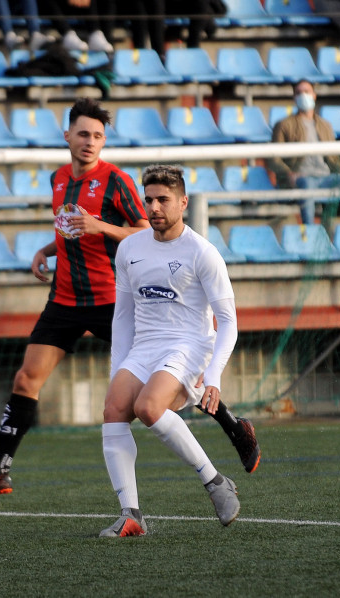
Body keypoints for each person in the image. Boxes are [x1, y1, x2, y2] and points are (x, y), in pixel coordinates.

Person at [0, 98, 261, 499]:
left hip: (111, 299)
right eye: (83, 133)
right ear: (67, 136)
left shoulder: (116, 180)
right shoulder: (59, 178)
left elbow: (144, 231)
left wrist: (100, 226)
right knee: (26, 377)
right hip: (64, 297)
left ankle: (233, 426)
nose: (90, 142)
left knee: (164, 380)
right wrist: (47, 250)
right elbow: (70, 226)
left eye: (98, 136)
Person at [98, 164, 241, 537]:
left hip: (189, 344)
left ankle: (215, 482)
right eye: (149, 200)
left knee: (147, 407)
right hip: (146, 345)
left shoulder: (202, 252)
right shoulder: (129, 248)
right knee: (114, 409)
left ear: (183, 202)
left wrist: (214, 377)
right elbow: (123, 316)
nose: (155, 207)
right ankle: (132, 515)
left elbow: (228, 321)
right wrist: (119, 370)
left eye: (163, 200)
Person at [268, 80, 340, 224]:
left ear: (314, 95)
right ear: (294, 98)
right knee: (307, 184)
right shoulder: (284, 125)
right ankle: (309, 231)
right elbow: (273, 159)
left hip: (326, 178)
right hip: (303, 178)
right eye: (298, 93)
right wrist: (289, 173)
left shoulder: (325, 125)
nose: (303, 96)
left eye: (306, 92)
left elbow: (334, 158)